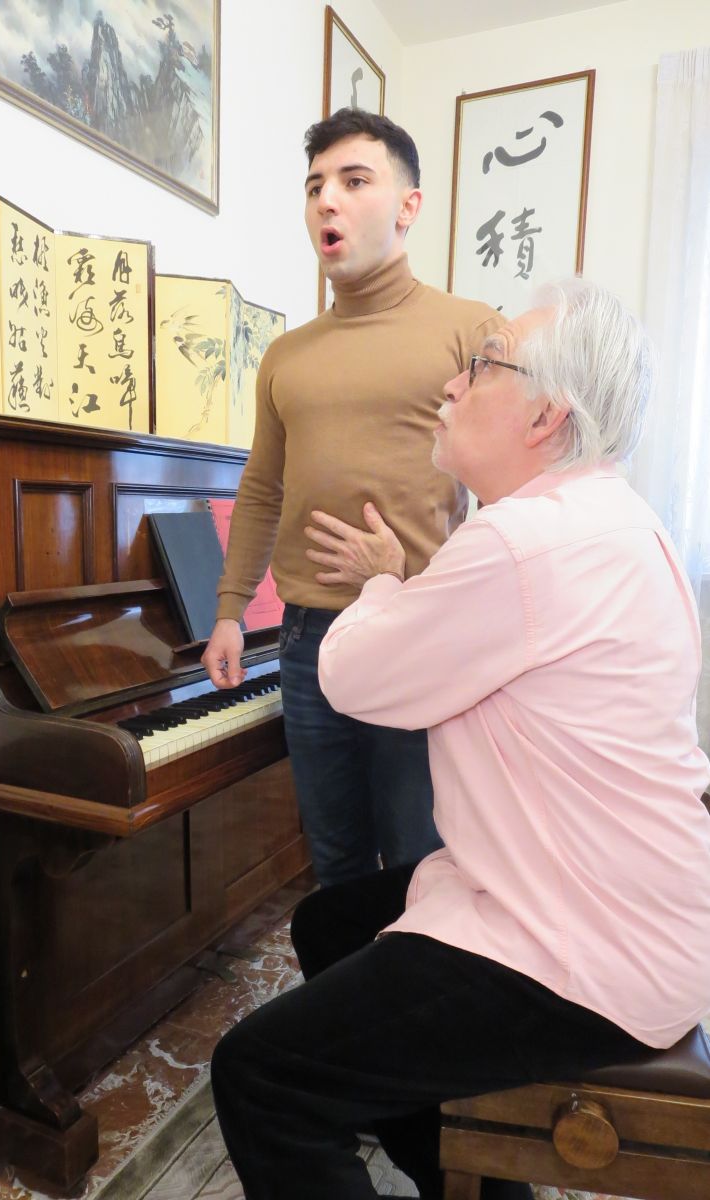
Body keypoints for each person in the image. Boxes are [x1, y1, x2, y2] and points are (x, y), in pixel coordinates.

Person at [210, 279, 710, 1200]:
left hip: (586, 948)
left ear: (546, 415)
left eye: (482, 367)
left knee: (259, 1074)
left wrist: (382, 581)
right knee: (330, 921)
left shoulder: (524, 541)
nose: (452, 383)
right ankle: (470, 1180)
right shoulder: (613, 517)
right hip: (621, 898)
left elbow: (353, 677)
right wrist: (401, 587)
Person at [201, 108, 504, 886]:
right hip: (306, 640)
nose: (327, 201)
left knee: (420, 863)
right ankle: (346, 975)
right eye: (314, 187)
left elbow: (514, 487)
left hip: (420, 629)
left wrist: (417, 580)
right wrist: (230, 610)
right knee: (335, 861)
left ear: (408, 205)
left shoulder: (473, 330)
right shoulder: (286, 356)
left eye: (354, 180)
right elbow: (262, 488)